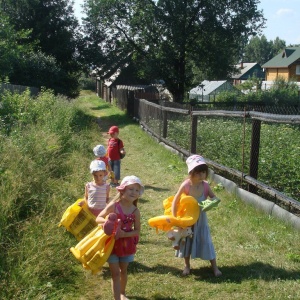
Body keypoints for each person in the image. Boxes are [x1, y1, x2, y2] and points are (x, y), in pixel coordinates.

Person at [171, 154, 222, 277]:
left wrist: (210, 203)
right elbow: (175, 201)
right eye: (198, 173)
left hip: (201, 221)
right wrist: (175, 219)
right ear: (191, 173)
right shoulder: (186, 185)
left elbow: (214, 198)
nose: (201, 176)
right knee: (187, 241)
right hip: (188, 220)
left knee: (206, 241)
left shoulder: (205, 186)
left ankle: (214, 267)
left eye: (204, 172)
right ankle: (187, 266)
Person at [96, 175, 144, 300]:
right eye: (131, 189)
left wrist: (125, 234)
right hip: (112, 244)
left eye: (136, 190)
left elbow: (137, 231)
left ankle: (122, 293)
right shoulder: (114, 206)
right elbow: (98, 218)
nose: (134, 192)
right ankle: (117, 298)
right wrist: (107, 223)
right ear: (122, 190)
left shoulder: (135, 212)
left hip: (126, 245)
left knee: (123, 270)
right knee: (115, 273)